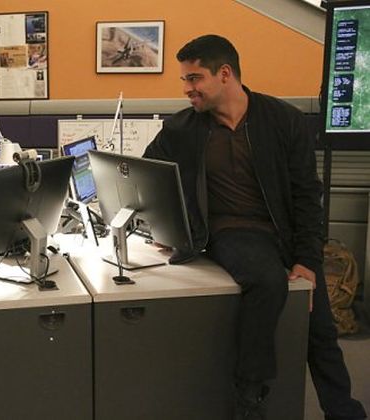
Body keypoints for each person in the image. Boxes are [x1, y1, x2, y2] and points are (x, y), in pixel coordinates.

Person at [143, 34, 367, 420]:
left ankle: (344, 412)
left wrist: (307, 260)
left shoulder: (283, 120)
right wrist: (169, 226)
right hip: (230, 232)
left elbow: (306, 196)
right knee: (267, 281)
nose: (186, 89)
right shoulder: (182, 128)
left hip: (285, 232)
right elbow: (149, 176)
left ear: (224, 74)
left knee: (320, 331)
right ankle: (249, 396)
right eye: (184, 80)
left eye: (194, 78)